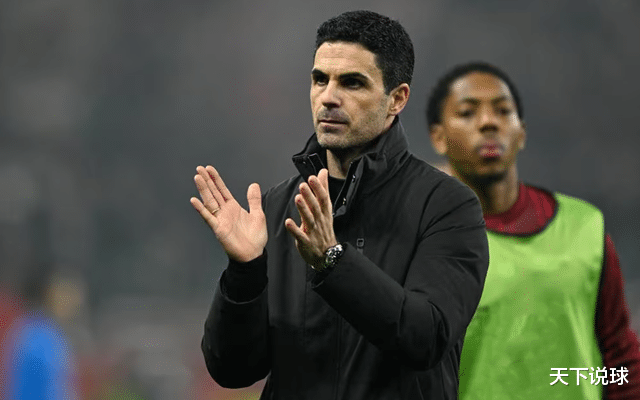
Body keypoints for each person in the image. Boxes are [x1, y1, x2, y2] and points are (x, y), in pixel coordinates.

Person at [191, 10, 489, 399]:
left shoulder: (447, 206)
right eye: (320, 79)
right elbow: (232, 370)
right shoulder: (278, 208)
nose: (329, 97)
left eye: (352, 83)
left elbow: (427, 338)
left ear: (396, 99)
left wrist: (333, 262)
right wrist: (244, 273)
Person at [426, 61, 640, 399]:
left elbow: (620, 355)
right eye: (468, 113)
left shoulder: (584, 226)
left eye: (503, 111)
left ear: (522, 132)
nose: (488, 123)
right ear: (439, 137)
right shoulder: (425, 241)